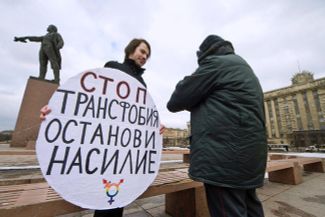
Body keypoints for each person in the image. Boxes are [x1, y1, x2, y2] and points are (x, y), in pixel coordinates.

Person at [41, 38, 165, 217]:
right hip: (106, 140)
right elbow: (93, 99)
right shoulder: (113, 67)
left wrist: (153, 124)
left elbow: (138, 112)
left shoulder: (141, 83)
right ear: (130, 50)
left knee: (117, 195)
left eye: (147, 54)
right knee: (106, 197)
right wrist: (57, 110)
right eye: (142, 51)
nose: (145, 56)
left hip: (124, 145)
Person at [167, 35, 267, 217]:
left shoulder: (215, 64)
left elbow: (176, 101)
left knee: (227, 209)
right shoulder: (242, 66)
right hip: (249, 155)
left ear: (205, 54)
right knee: (250, 207)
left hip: (224, 157)